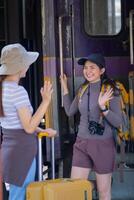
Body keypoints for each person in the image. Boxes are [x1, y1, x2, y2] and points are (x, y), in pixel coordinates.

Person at [60, 53, 122, 200]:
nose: (88, 71)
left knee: (103, 192)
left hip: (103, 145)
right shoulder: (83, 89)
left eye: (92, 67)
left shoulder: (110, 90)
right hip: (81, 144)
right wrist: (64, 88)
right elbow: (70, 111)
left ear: (101, 70)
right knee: (75, 190)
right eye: (86, 68)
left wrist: (103, 108)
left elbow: (118, 122)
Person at [0, 43, 57, 200]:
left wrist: (43, 131)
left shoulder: (3, 89)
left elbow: (16, 124)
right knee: (20, 195)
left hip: (9, 149)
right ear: (20, 67)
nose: (28, 66)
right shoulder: (18, 91)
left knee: (16, 194)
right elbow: (28, 127)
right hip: (22, 152)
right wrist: (45, 101)